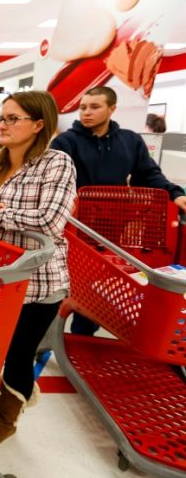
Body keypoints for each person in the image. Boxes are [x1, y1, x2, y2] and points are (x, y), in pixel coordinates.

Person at [0, 90, 77, 447]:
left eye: (12, 118)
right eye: (1, 118)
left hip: (38, 282)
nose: (2, 125)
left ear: (38, 125)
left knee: (18, 352)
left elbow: (51, 221)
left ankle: (7, 416)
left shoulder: (57, 163)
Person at [51, 86, 186, 336]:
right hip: (75, 228)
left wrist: (176, 193)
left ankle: (90, 334)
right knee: (80, 284)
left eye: (94, 107)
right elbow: (55, 180)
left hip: (114, 229)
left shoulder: (130, 141)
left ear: (112, 109)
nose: (86, 113)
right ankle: (75, 333)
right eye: (83, 107)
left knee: (105, 282)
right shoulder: (65, 141)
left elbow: (148, 174)